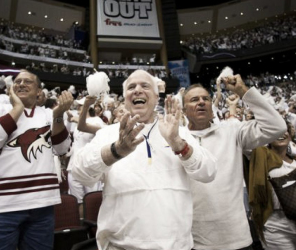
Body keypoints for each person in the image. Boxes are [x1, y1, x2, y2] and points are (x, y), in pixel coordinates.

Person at [71, 69, 217, 250]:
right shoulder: (108, 133)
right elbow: (79, 172)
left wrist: (178, 143)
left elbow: (208, 172)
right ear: (125, 99)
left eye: (145, 86)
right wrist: (116, 150)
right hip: (120, 246)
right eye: (131, 87)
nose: (137, 90)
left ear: (156, 98)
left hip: (175, 245)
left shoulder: (176, 131)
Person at [0, 69, 73, 249]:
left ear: (39, 91)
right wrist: (17, 108)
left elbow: (62, 148)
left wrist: (58, 116)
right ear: (11, 89)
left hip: (42, 205)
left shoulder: (48, 114)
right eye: (17, 82)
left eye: (28, 82)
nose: (21, 84)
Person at [182, 74, 287, 250]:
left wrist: (242, 91)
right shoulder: (177, 139)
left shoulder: (232, 130)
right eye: (194, 100)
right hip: (194, 239)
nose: (201, 102)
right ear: (184, 110)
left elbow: (277, 127)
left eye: (205, 99)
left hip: (236, 238)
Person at [244, 121, 296, 250]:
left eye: (285, 131)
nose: (282, 134)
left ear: (290, 135)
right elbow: (245, 142)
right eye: (277, 131)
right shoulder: (260, 155)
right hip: (275, 224)